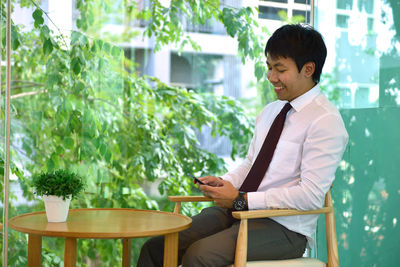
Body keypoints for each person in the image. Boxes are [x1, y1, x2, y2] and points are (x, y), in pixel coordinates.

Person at [138, 23, 348, 267]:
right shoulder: (271, 112)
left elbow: (310, 196)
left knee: (199, 255)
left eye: (279, 70)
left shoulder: (326, 121)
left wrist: (241, 199)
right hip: (240, 210)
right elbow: (252, 164)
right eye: (269, 68)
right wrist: (225, 184)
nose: (271, 77)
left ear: (308, 69)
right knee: (157, 247)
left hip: (285, 228)